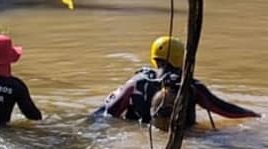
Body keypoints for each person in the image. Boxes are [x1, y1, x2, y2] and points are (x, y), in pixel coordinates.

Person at [96, 36, 259, 128]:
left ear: (154, 58)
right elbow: (224, 109)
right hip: (186, 140)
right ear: (181, 58)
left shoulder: (136, 83)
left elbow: (110, 113)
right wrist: (254, 115)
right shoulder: (191, 86)